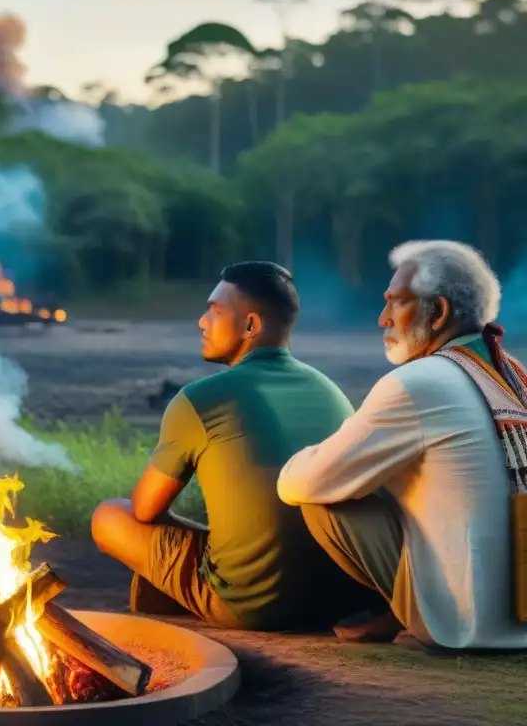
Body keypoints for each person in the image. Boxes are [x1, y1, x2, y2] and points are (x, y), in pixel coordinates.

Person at [92, 261, 379, 630]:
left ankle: (191, 599)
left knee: (110, 515)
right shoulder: (332, 391)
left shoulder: (201, 399)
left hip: (252, 605)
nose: (201, 321)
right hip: (334, 598)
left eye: (214, 310)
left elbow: (146, 511)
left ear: (250, 326)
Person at [278, 240, 527, 649]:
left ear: (440, 312)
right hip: (520, 615)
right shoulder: (513, 373)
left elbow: (300, 484)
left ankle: (405, 614)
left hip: (462, 626)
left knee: (326, 500)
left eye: (395, 303)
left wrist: (308, 457)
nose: (382, 319)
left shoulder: (418, 382)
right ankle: (391, 614)